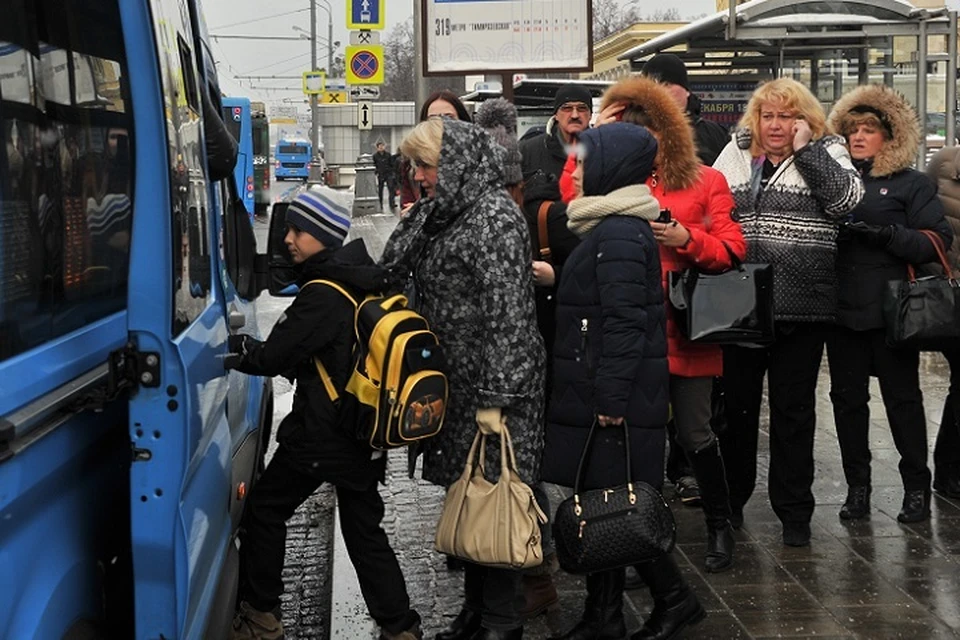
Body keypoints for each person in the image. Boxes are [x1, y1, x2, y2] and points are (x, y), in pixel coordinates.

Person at [225, 191, 422, 640]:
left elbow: (273, 356)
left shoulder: (322, 293)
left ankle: (261, 615)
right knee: (363, 530)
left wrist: (237, 349)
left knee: (268, 508)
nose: (289, 240)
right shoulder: (360, 279)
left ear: (324, 237)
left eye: (299, 231)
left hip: (323, 434)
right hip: (361, 430)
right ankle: (401, 628)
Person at [383, 118, 546, 640]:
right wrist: (421, 217)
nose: (419, 175)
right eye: (415, 166)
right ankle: (475, 615)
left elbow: (510, 317)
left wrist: (497, 399)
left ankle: (501, 623)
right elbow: (390, 266)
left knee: (493, 500)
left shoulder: (494, 218)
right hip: (460, 387)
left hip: (495, 391)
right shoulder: (448, 213)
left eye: (427, 165)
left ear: (457, 164)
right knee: (468, 494)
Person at [542, 122, 705, 640]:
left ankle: (674, 601)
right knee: (606, 504)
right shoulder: (613, 227)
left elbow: (625, 321)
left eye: (588, 161)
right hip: (604, 390)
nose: (579, 170)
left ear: (612, 167)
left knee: (619, 506)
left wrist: (610, 395)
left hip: (613, 397)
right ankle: (604, 615)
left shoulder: (617, 233)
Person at [596, 76, 746, 573]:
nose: (648, 141)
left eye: (656, 131)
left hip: (687, 330)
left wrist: (687, 238)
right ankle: (645, 540)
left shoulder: (707, 181)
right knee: (641, 439)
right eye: (638, 131)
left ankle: (721, 524)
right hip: (635, 330)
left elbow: (732, 252)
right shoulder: (615, 184)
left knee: (696, 432)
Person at [712, 77, 864, 547]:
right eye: (769, 115)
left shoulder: (828, 150)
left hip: (802, 305)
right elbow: (709, 207)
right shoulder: (735, 152)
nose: (776, 125)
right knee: (735, 412)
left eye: (787, 116)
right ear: (756, 118)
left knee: (793, 413)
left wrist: (807, 152)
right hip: (739, 302)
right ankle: (731, 504)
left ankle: (794, 513)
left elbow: (847, 202)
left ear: (805, 120)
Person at [824, 85, 952, 523]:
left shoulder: (910, 184)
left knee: (902, 401)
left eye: (869, 129)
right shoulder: (832, 181)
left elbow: (936, 239)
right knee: (847, 402)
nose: (859, 136)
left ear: (890, 136)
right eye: (852, 129)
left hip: (892, 313)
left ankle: (916, 487)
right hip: (841, 311)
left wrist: (888, 236)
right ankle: (858, 488)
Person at [475, 97, 561, 621]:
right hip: (513, 372)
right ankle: (522, 576)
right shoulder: (500, 214)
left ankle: (534, 574)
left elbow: (508, 317)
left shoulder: (504, 221)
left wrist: (499, 395)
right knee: (515, 479)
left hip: (513, 378)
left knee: (517, 481)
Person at [926, 146, 960, 500]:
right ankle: (949, 470)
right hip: (952, 293)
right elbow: (923, 221)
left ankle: (949, 469)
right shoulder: (943, 164)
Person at [640, 52, 729, 166]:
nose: (660, 91)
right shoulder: (636, 132)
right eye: (653, 87)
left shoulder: (714, 133)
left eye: (666, 84)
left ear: (686, 90)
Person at [399, 90, 472, 208]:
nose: (441, 124)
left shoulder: (477, 161)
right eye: (433, 119)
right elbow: (407, 202)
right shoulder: (411, 165)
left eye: (449, 117)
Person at [373, 141, 397, 212]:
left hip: (388, 173)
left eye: (382, 146)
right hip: (380, 174)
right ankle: (380, 203)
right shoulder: (375, 156)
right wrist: (377, 171)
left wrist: (392, 171)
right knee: (380, 189)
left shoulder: (388, 155)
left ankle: (392, 203)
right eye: (380, 147)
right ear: (377, 148)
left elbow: (392, 163)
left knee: (391, 188)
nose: (381, 148)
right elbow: (374, 164)